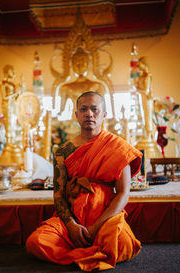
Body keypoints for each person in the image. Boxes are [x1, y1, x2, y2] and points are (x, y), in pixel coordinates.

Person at [26, 91, 142, 272]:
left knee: (124, 244)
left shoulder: (118, 147)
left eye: (95, 109)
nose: (89, 113)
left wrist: (96, 226)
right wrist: (71, 225)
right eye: (84, 109)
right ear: (77, 115)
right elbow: (58, 195)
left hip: (105, 215)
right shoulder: (63, 150)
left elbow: (123, 193)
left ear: (104, 115)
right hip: (73, 215)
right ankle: (91, 255)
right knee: (36, 242)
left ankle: (80, 253)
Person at [58, 46, 106, 117]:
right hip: (74, 121)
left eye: (83, 62)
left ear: (89, 64)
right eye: (76, 63)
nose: (80, 65)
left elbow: (102, 109)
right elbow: (61, 110)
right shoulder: (66, 88)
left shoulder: (97, 86)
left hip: (92, 120)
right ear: (72, 65)